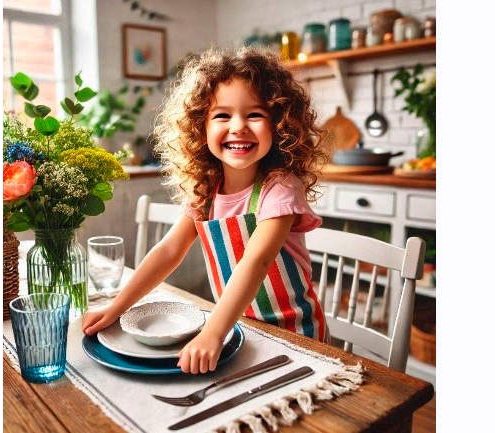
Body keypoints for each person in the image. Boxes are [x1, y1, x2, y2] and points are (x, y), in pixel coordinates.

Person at [81, 46, 329, 374]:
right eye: (222, 115)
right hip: (241, 330)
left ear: (279, 124)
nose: (238, 126)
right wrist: (116, 307)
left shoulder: (280, 187)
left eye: (254, 114)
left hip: (296, 339)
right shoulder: (206, 191)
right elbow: (169, 251)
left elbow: (257, 261)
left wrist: (213, 331)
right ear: (201, 127)